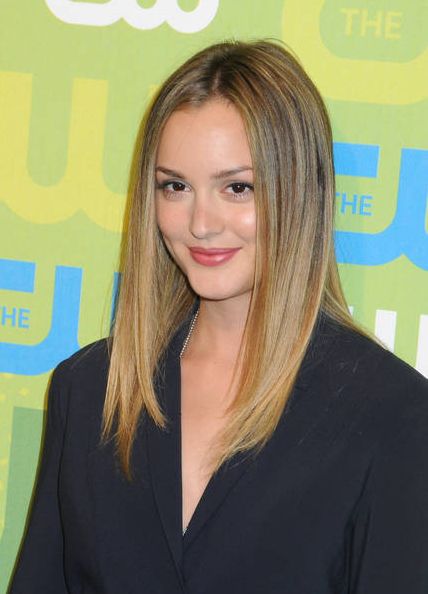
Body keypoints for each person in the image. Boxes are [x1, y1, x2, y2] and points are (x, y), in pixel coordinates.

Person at [9, 40, 428, 594]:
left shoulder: (393, 414)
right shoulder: (90, 390)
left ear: (301, 191)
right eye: (175, 186)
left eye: (237, 188)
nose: (201, 223)